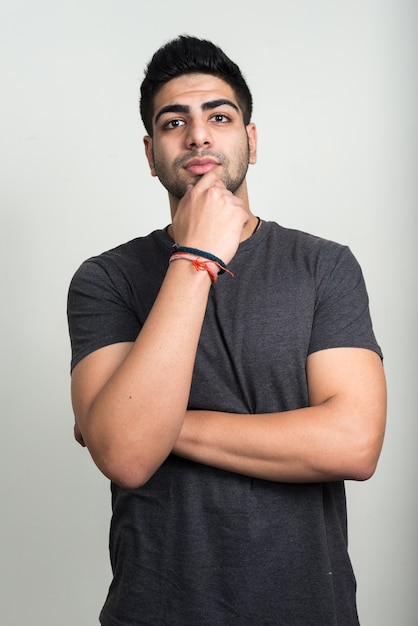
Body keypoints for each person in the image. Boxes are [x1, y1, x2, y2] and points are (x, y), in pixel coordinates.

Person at [67, 35, 386, 626]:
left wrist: (142, 424)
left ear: (252, 140)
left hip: (309, 611)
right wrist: (197, 255)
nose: (198, 134)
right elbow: (129, 458)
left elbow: (354, 443)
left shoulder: (324, 266)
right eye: (173, 122)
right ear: (150, 151)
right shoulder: (105, 279)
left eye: (219, 115)